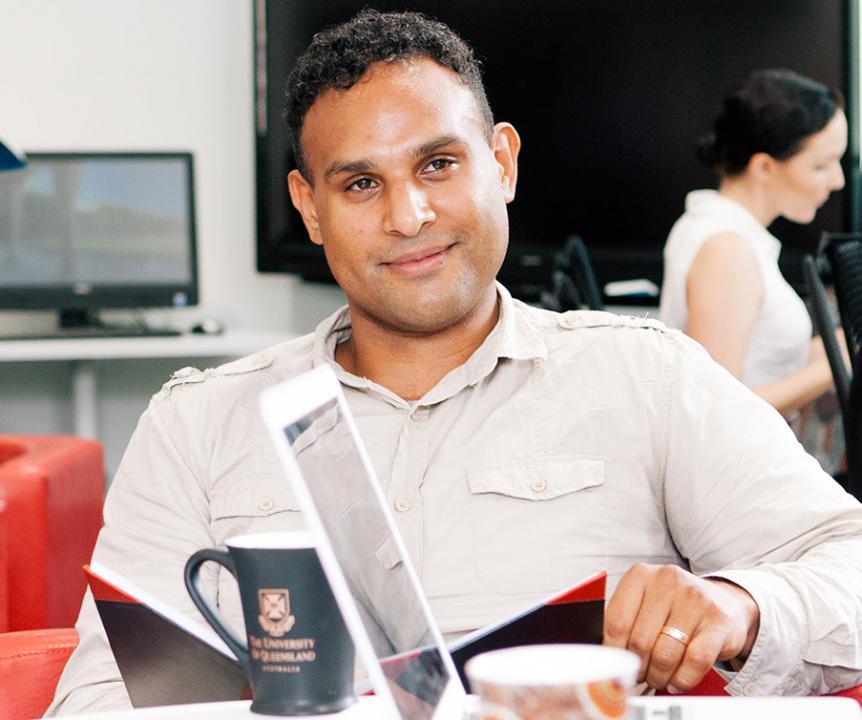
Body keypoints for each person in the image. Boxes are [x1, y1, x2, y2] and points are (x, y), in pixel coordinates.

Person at [48, 11, 862, 714]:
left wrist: (741, 603)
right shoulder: (195, 423)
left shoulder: (646, 380)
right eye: (361, 183)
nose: (410, 215)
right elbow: (96, 698)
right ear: (310, 208)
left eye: (439, 165)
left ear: (501, 163)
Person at [659, 69, 848, 418]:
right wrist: (834, 367)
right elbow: (719, 407)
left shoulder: (717, 226)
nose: (837, 181)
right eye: (822, 165)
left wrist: (843, 345)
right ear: (764, 167)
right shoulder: (726, 250)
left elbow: (767, 355)